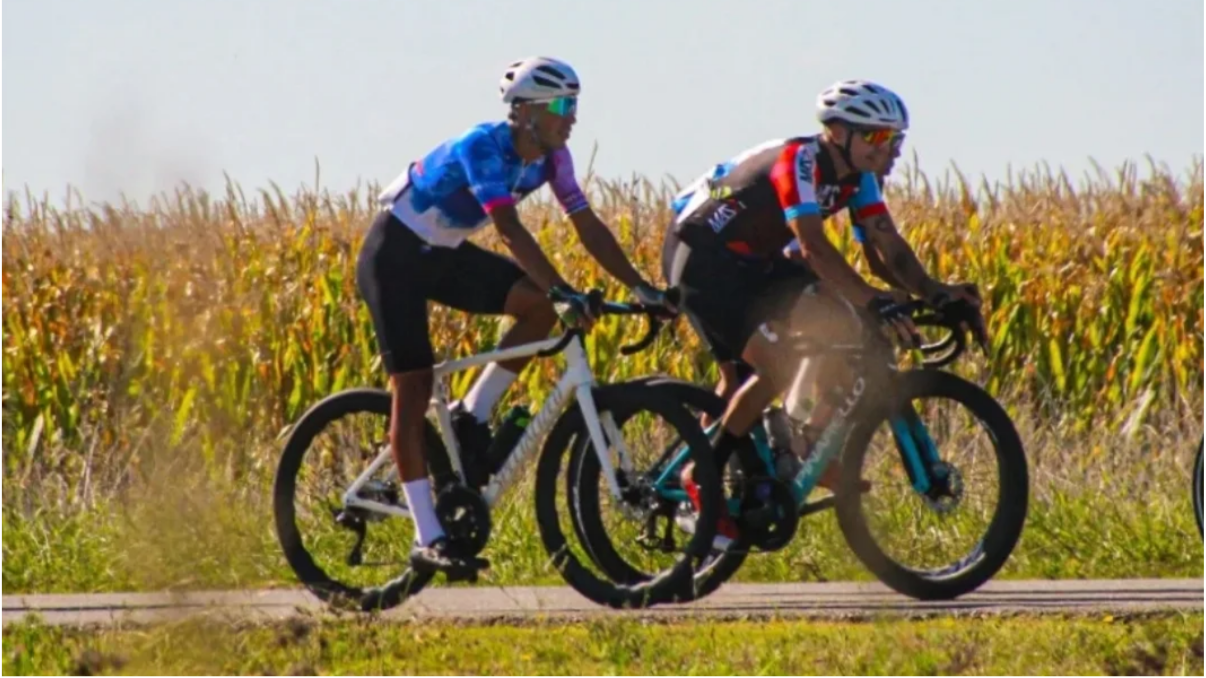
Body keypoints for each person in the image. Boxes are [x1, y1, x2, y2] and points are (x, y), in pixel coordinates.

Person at [358, 56, 674, 577]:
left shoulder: (554, 157)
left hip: (443, 254)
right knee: (412, 389)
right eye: (559, 105)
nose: (570, 116)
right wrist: (564, 289)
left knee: (539, 309)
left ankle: (471, 414)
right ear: (524, 111)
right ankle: (426, 535)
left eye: (574, 104)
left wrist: (639, 285)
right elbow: (508, 228)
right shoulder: (481, 146)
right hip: (394, 255)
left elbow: (587, 224)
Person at [663, 80, 986, 546]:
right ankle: (701, 475)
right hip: (701, 258)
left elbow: (886, 248)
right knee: (773, 367)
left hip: (758, 260)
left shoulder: (859, 177)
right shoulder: (801, 162)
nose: (889, 149)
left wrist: (935, 293)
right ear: (839, 132)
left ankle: (806, 443)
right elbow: (813, 247)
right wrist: (874, 299)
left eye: (895, 139)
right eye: (877, 137)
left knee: (845, 323)